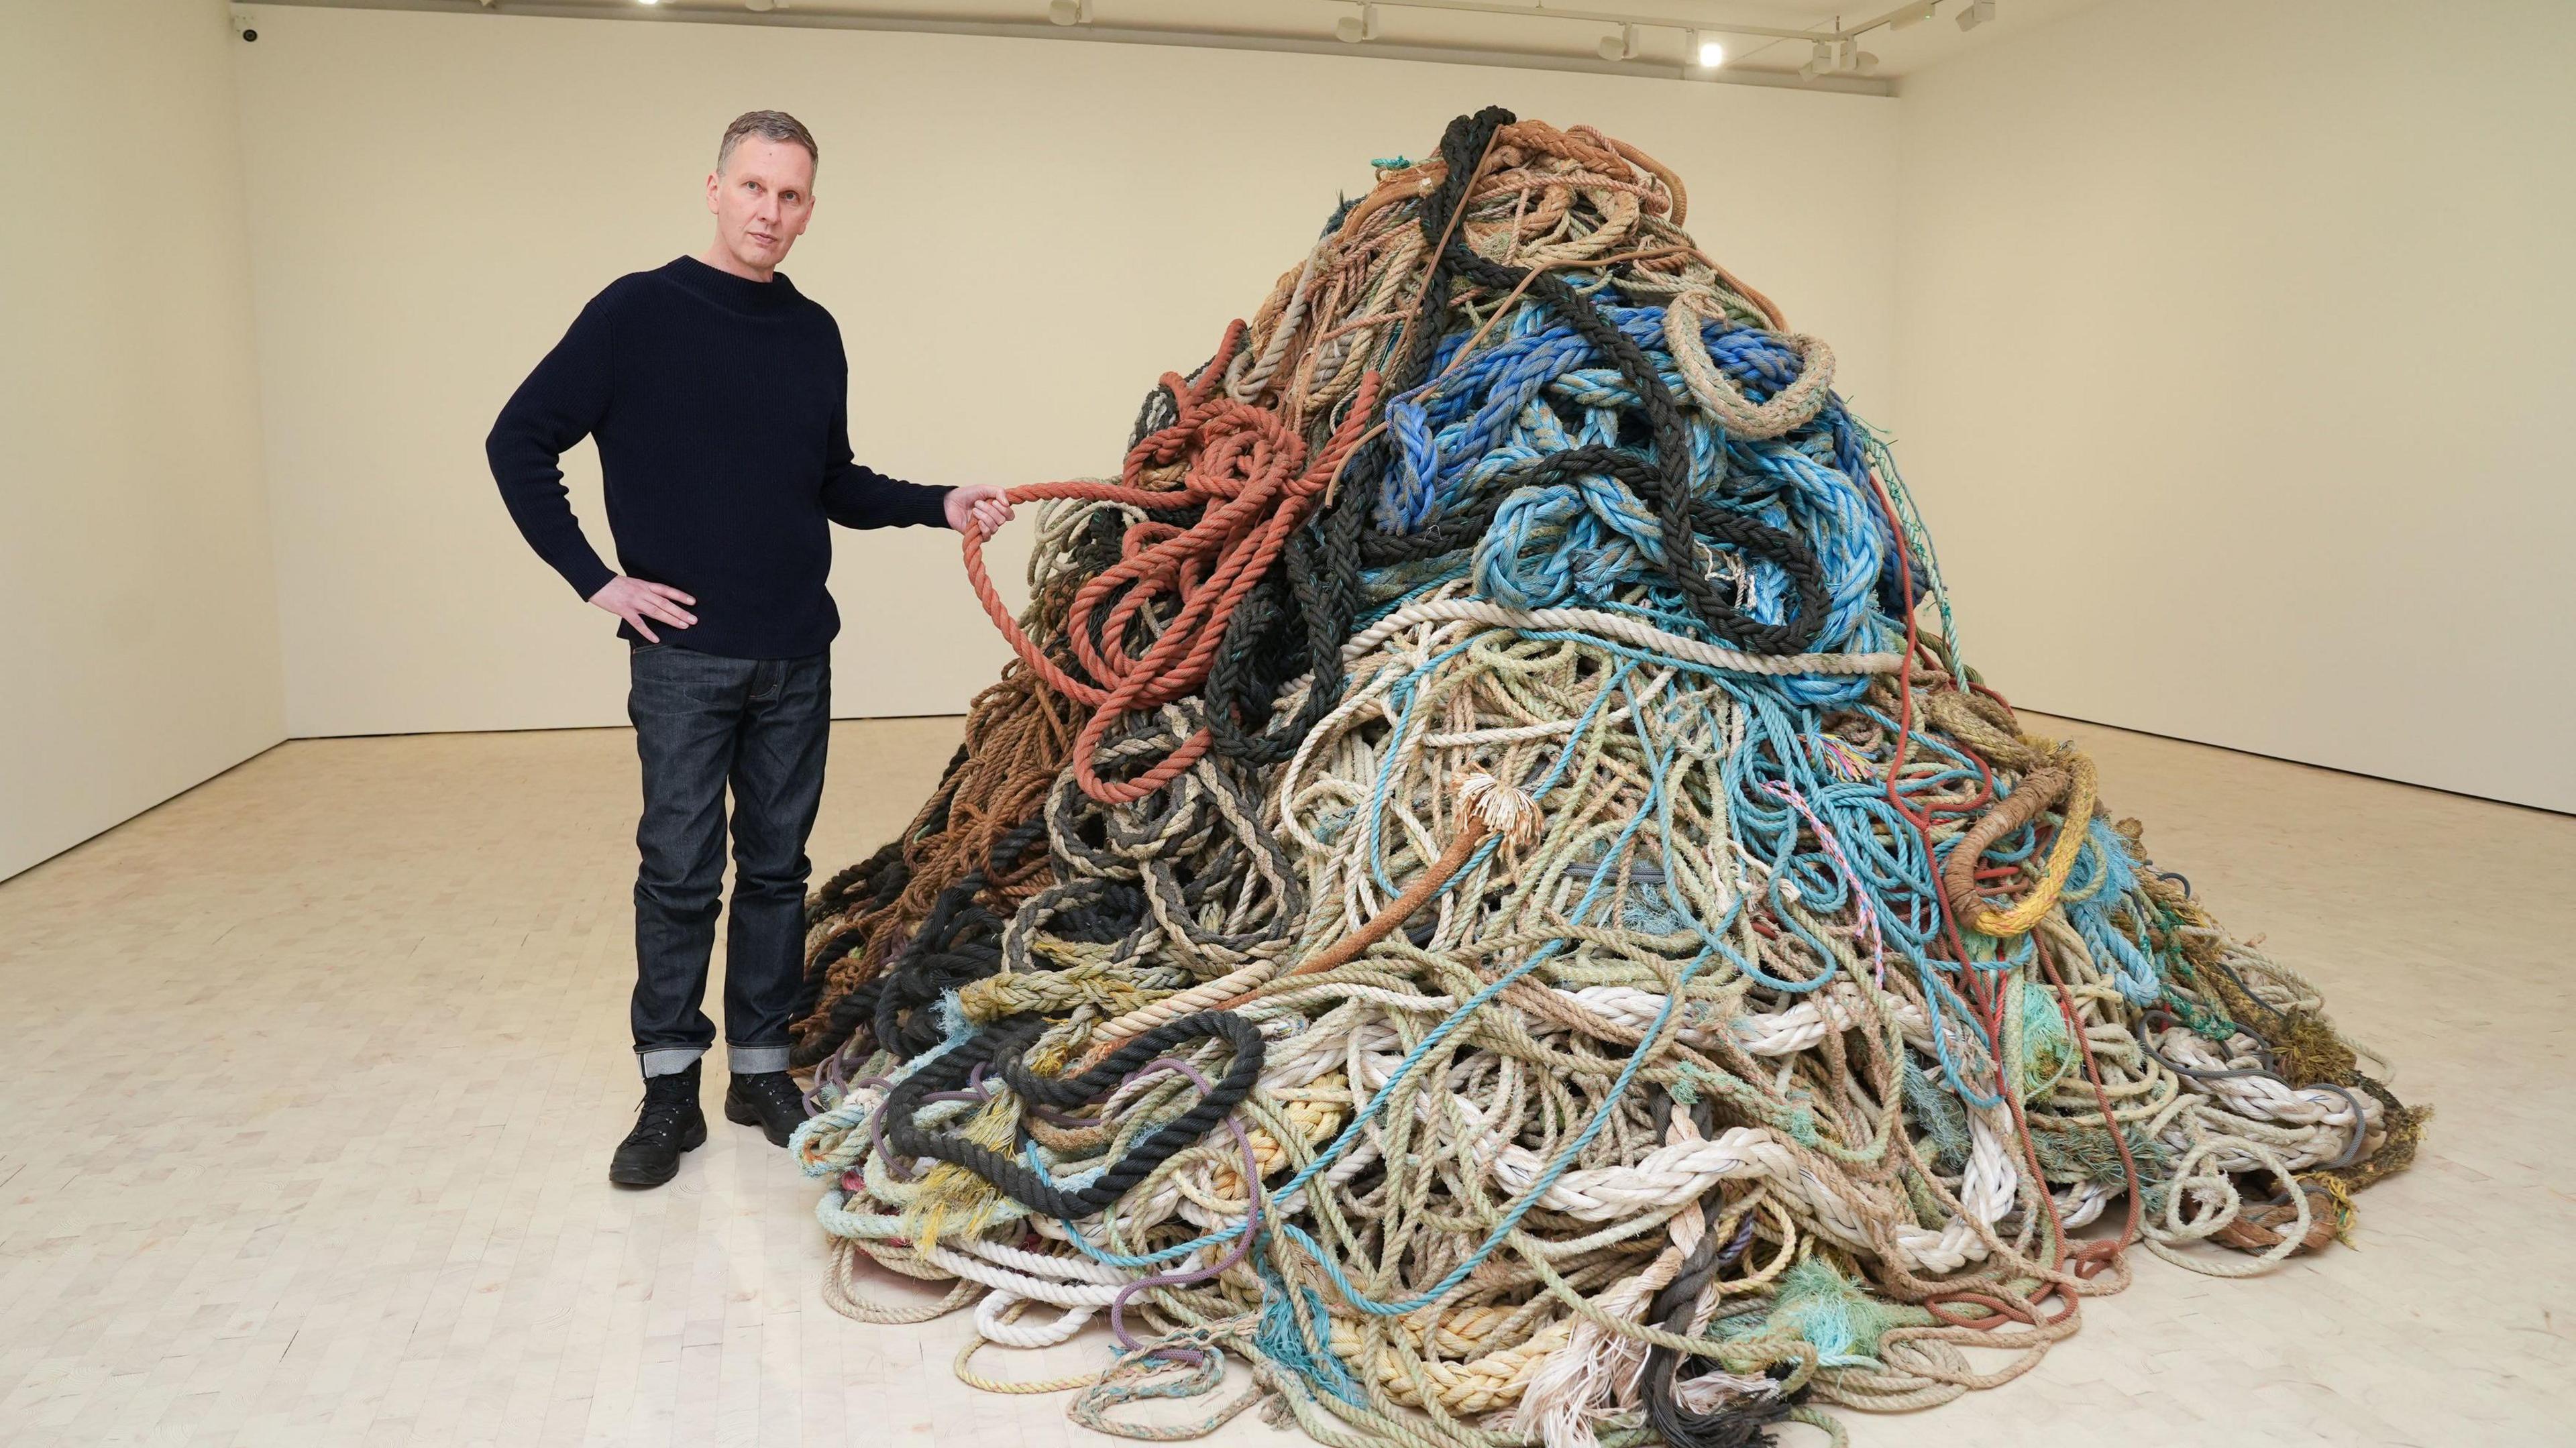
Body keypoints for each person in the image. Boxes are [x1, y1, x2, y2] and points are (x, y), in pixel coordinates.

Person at [486, 110, 1013, 1188]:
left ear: (810, 209)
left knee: (776, 872)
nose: (772, 212)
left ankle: (759, 1070)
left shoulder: (813, 332)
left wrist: (940, 502)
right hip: (684, 658)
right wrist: (599, 581)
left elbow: (832, 482)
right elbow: (518, 438)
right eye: (756, 189)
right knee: (681, 872)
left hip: (794, 653)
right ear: (715, 190)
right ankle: (668, 1088)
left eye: (793, 196)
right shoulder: (638, 311)